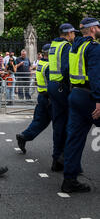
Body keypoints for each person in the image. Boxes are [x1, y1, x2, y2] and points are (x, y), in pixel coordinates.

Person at [61, 17, 100, 193]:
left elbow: (67, 71)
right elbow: (95, 75)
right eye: (98, 26)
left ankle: (69, 179)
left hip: (76, 94)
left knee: (74, 138)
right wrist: (98, 100)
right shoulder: (93, 48)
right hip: (90, 96)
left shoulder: (75, 48)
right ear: (92, 30)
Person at [48, 23, 78, 172]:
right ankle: (64, 158)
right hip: (62, 86)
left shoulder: (54, 44)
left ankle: (56, 159)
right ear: (68, 33)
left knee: (58, 123)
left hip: (53, 85)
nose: (74, 36)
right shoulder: (66, 46)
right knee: (69, 123)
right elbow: (66, 68)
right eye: (73, 33)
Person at [16, 44, 52, 153]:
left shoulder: (41, 63)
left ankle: (24, 136)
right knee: (61, 125)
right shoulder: (49, 66)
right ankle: (61, 153)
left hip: (42, 97)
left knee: (39, 122)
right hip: (50, 98)